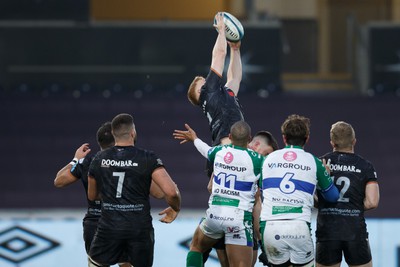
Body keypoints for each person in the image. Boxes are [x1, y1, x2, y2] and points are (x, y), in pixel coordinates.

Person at [186, 12, 245, 266]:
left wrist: (236, 49)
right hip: (228, 152)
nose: (207, 77)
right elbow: (217, 57)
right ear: (199, 90)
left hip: (226, 154)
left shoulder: (220, 96)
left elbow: (235, 78)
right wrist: (221, 30)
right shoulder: (209, 92)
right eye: (203, 79)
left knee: (220, 240)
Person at [174, 125, 278, 267]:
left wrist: (194, 138)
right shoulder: (258, 160)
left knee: (196, 247)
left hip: (215, 216)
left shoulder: (219, 152)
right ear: (249, 139)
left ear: (229, 137)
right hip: (238, 220)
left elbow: (205, 150)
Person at [87, 113, 181, 267]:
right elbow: (168, 192)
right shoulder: (147, 158)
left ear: (114, 134)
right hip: (139, 229)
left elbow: (92, 196)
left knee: (95, 263)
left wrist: (112, 198)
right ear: (132, 133)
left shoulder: (99, 159)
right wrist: (175, 208)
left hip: (109, 227)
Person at [259, 114, 340, 267]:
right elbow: (332, 197)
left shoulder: (268, 159)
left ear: (284, 138)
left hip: (270, 226)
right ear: (307, 138)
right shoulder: (314, 161)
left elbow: (263, 190)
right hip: (298, 226)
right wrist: (325, 177)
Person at [54, 122, 133, 267]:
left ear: (99, 142)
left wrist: (75, 159)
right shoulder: (130, 161)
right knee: (126, 263)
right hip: (121, 220)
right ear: (117, 139)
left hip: (95, 222)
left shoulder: (88, 162)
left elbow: (59, 181)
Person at [315, 121, 380, 267]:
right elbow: (372, 202)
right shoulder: (365, 166)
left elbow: (311, 199)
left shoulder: (320, 163)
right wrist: (352, 207)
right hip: (355, 232)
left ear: (332, 142)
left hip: (328, 233)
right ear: (354, 141)